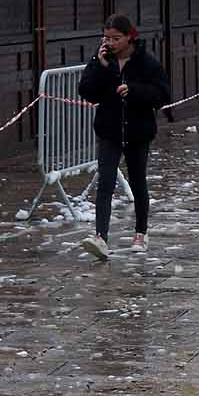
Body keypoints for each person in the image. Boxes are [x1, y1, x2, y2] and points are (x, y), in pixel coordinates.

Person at [78, 14, 171, 261]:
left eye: (116, 38)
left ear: (130, 37)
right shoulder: (101, 60)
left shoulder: (146, 62)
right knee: (105, 182)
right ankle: (100, 237)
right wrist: (100, 67)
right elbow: (87, 91)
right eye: (106, 38)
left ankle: (140, 232)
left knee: (138, 181)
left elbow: (163, 93)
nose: (110, 43)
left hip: (138, 131)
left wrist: (135, 91)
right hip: (109, 130)